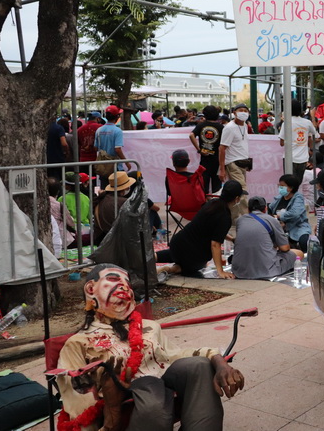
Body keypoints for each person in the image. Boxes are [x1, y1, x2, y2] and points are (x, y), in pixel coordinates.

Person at [56, 264, 243, 431]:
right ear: (90, 289)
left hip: (165, 378)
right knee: (153, 402)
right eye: (113, 279)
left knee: (200, 366)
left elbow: (174, 355)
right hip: (128, 396)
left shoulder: (149, 326)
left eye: (127, 282)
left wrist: (219, 362)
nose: (124, 286)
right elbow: (78, 405)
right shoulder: (78, 342)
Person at [157, 180, 245, 279]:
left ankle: (153, 256)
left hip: (177, 243)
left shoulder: (212, 203)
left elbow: (214, 230)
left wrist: (231, 239)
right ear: (236, 199)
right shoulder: (225, 217)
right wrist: (220, 271)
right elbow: (215, 244)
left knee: (176, 254)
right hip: (194, 256)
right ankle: (170, 269)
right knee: (198, 264)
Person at [231, 196, 302, 279]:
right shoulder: (271, 220)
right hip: (267, 270)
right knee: (299, 253)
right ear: (265, 209)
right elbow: (285, 248)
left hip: (239, 271)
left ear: (248, 210)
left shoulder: (240, 220)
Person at [219, 103, 251, 221]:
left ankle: (232, 218)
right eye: (240, 110)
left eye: (245, 110)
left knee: (235, 193)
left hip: (243, 163)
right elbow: (222, 148)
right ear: (234, 113)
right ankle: (248, 218)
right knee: (242, 192)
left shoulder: (245, 126)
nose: (243, 112)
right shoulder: (229, 128)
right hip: (233, 163)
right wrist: (222, 169)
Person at [279, 100, 319, 184]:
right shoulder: (307, 123)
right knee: (297, 184)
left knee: (288, 184)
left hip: (289, 159)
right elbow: (315, 134)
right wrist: (312, 117)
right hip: (303, 159)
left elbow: (281, 143)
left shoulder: (286, 123)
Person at [268, 174, 311, 252]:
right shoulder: (278, 198)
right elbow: (270, 210)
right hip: (278, 229)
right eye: (279, 185)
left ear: (291, 188)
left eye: (282, 186)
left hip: (297, 227)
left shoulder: (298, 198)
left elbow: (295, 213)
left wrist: (279, 217)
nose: (280, 188)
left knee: (304, 240)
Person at [92, 171, 137, 245]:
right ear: (126, 187)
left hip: (102, 240)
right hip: (117, 241)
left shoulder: (102, 199)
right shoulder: (123, 202)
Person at [94, 105, 131, 189]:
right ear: (117, 116)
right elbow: (117, 149)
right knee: (118, 189)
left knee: (104, 189)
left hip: (103, 165)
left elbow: (95, 148)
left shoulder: (99, 130)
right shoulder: (117, 131)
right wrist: (127, 162)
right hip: (115, 166)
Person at [190, 105, 223, 194]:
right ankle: (215, 205)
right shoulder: (221, 127)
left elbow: (191, 135)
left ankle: (205, 205)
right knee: (216, 188)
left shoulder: (201, 125)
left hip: (204, 159)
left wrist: (199, 149)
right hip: (217, 160)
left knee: (203, 186)